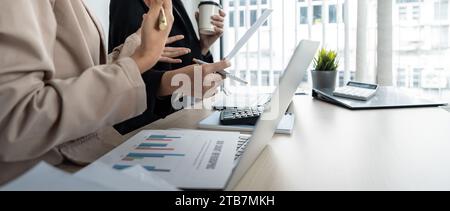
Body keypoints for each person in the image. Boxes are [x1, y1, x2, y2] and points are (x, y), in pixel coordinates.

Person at [0, 0, 229, 185]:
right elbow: (14, 120)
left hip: (90, 152)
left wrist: (203, 46)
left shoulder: (172, 6)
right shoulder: (126, 4)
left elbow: (89, 70)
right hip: (50, 169)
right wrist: (141, 61)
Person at [109, 0, 227, 134]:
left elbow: (186, 60)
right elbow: (122, 78)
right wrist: (173, 81)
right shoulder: (126, 4)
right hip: (146, 132)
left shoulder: (174, 3)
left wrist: (204, 45)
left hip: (181, 123)